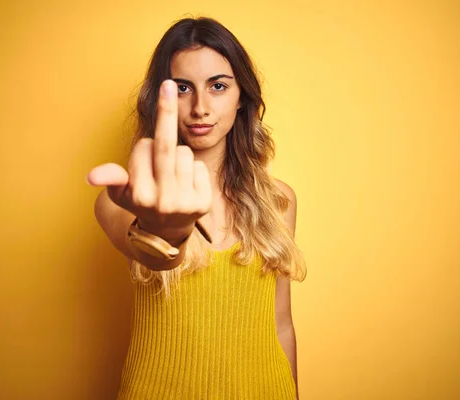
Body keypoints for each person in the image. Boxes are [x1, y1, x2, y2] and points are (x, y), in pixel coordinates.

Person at [87, 16, 306, 400]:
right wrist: (167, 234)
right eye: (182, 88)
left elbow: (281, 323)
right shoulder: (125, 198)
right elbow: (154, 255)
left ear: (242, 99)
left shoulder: (279, 201)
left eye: (218, 86)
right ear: (161, 99)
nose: (200, 107)